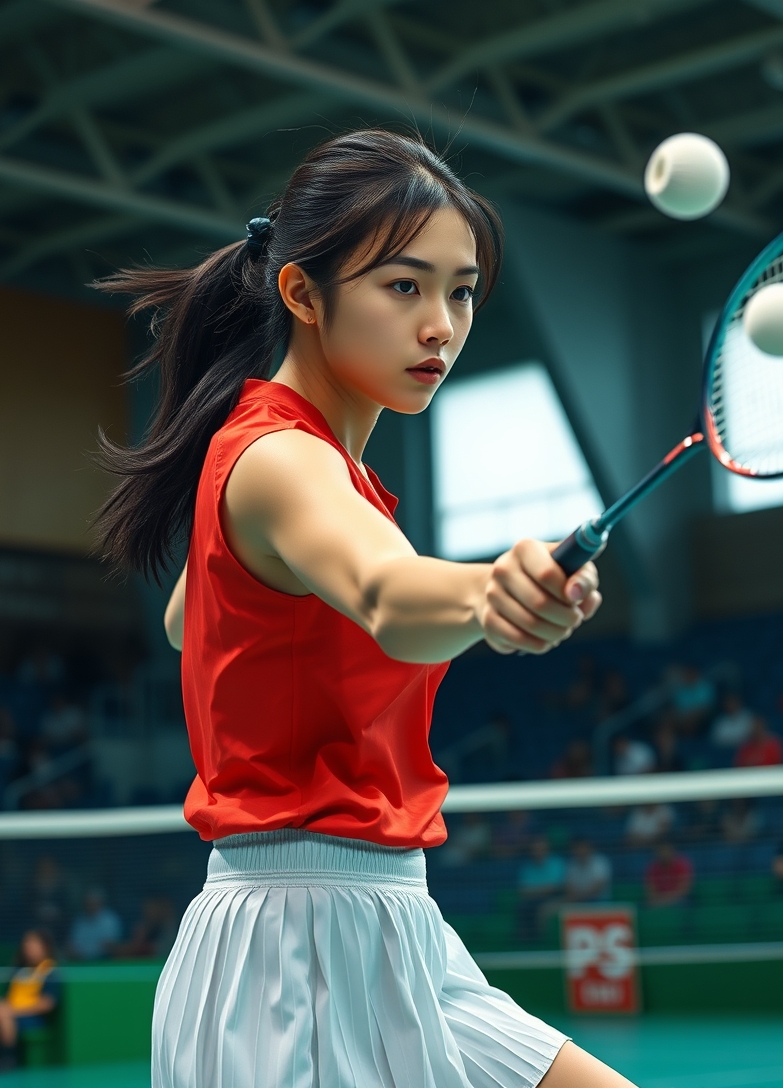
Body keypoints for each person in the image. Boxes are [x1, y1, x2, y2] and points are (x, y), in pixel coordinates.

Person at [91, 130, 631, 1088]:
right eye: (404, 286)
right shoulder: (283, 461)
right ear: (303, 294)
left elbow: (191, 616)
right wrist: (487, 590)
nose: (442, 327)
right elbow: (386, 591)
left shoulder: (312, 473)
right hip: (285, 956)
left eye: (460, 291)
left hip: (399, 938)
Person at [0, 930, 60, 1073]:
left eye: (33, 943)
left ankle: (8, 1058)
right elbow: (7, 996)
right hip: (11, 1010)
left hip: (31, 1017)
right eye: (26, 943)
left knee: (3, 1013)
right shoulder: (19, 970)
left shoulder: (50, 971)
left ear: (44, 947)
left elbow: (47, 1003)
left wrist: (13, 1010)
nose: (28, 947)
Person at [517, 835, 567, 940]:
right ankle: (524, 939)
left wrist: (535, 890)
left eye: (541, 848)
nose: (538, 851)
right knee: (523, 907)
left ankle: (540, 939)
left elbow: (556, 887)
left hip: (555, 898)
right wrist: (543, 889)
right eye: (535, 849)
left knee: (542, 910)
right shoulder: (527, 867)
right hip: (532, 901)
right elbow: (523, 891)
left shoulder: (556, 863)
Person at [67, 889, 123, 961]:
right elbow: (72, 945)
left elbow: (111, 945)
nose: (91, 906)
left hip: (104, 961)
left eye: (94, 903)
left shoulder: (110, 920)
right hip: (82, 962)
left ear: (101, 903)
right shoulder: (79, 922)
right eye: (88, 904)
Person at [644, 842, 693, 907]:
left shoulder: (682, 865)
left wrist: (666, 900)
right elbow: (650, 891)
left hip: (678, 899)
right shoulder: (653, 868)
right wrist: (660, 900)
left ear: (672, 851)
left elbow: (684, 890)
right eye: (661, 851)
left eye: (666, 850)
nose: (663, 854)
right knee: (646, 904)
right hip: (659, 900)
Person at [564, 838, 611, 902]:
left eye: (583, 848)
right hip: (577, 901)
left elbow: (598, 887)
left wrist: (580, 896)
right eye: (577, 848)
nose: (580, 851)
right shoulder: (571, 864)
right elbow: (568, 887)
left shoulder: (600, 861)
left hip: (598, 900)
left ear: (589, 848)